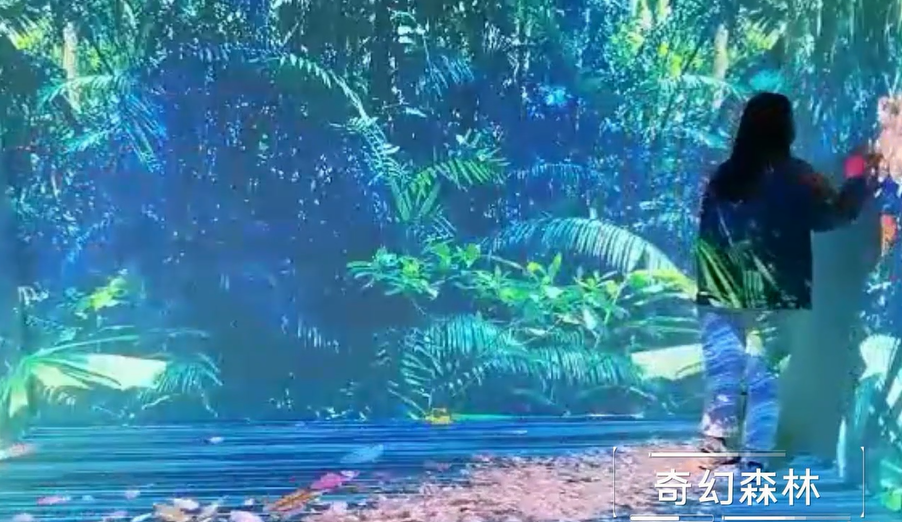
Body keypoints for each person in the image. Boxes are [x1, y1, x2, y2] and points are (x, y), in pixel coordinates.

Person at [694, 92, 882, 471]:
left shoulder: (724, 176)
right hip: (776, 288)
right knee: (764, 368)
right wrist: (858, 181)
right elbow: (833, 215)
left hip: (720, 285)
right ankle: (758, 452)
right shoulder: (796, 175)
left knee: (725, 363)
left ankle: (718, 439)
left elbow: (708, 231)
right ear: (786, 129)